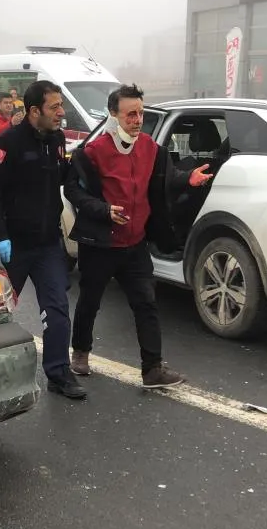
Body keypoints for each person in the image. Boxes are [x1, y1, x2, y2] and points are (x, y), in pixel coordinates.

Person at [63, 83, 212, 388]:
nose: (137, 119)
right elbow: (73, 190)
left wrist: (189, 179)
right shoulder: (92, 152)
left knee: (146, 304)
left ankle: (153, 369)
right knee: (90, 301)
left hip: (135, 244)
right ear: (113, 115)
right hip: (100, 244)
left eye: (141, 113)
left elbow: (167, 180)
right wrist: (103, 210)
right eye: (130, 114)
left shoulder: (151, 149)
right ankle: (80, 352)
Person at [0, 80, 86, 400]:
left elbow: (62, 179)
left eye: (61, 106)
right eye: (55, 107)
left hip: (48, 244)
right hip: (14, 245)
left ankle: (58, 373)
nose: (61, 112)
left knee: (56, 311)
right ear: (35, 110)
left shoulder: (55, 140)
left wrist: (80, 167)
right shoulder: (8, 143)